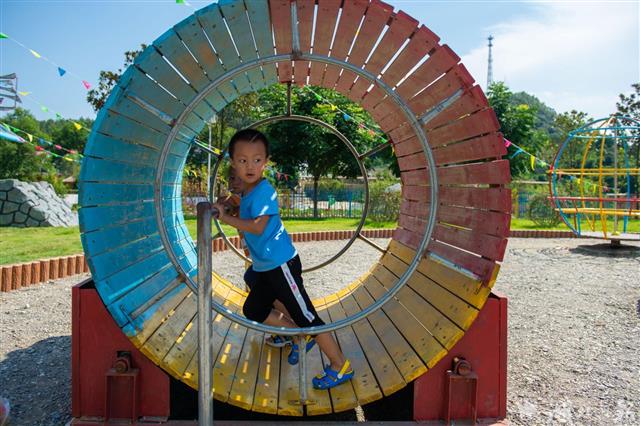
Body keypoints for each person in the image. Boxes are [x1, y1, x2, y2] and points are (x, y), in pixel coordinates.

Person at [212, 129, 354, 390]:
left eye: (257, 160)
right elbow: (238, 204)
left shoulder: (265, 191)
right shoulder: (247, 193)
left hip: (281, 266)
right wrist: (227, 204)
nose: (250, 166)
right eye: (242, 160)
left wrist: (224, 216)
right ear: (234, 162)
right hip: (266, 268)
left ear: (266, 162)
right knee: (254, 309)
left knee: (308, 317)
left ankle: (339, 364)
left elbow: (257, 226)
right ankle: (299, 336)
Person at [227, 167, 293, 348]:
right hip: (264, 260)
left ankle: (292, 331)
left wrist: (227, 210)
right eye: (232, 178)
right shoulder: (242, 200)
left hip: (274, 260)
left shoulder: (253, 198)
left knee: (258, 287)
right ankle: (286, 329)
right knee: (253, 280)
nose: (235, 182)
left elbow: (256, 226)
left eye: (240, 177)